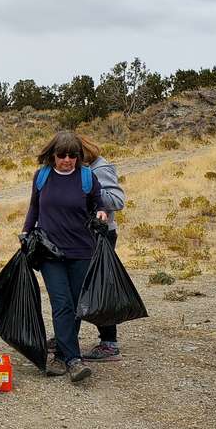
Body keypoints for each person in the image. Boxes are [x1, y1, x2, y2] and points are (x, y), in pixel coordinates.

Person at [23, 130, 107, 383]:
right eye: (62, 155)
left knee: (74, 306)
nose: (67, 160)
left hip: (81, 250)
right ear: (52, 155)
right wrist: (26, 232)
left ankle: (61, 354)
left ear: (79, 157)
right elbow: (34, 207)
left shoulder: (86, 177)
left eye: (72, 156)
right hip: (50, 251)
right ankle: (73, 360)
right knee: (61, 303)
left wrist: (102, 213)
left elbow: (98, 203)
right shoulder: (43, 176)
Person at [79, 137, 126, 362]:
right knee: (78, 287)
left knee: (99, 288)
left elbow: (117, 200)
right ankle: (67, 337)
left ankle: (109, 343)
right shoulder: (83, 169)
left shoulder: (100, 168)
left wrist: (90, 189)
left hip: (102, 234)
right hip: (82, 236)